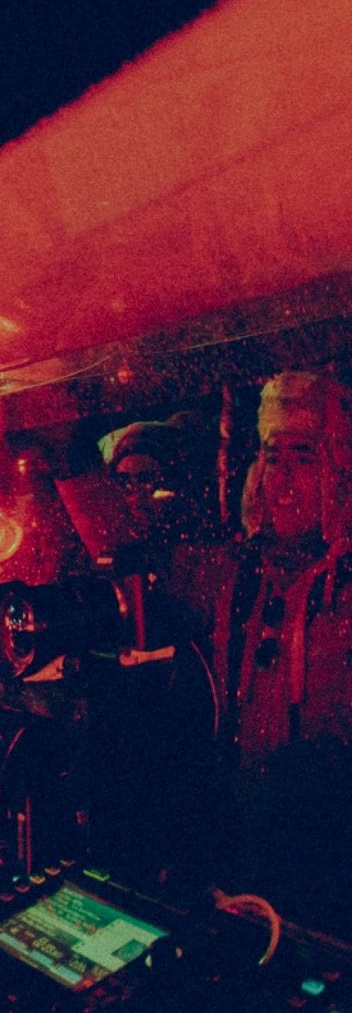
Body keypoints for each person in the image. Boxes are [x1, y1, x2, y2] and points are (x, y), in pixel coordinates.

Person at [169, 370, 352, 929]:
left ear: (338, 474)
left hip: (331, 872)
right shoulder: (235, 576)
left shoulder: (344, 591)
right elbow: (130, 567)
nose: (286, 480)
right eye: (275, 458)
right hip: (236, 856)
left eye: (305, 458)